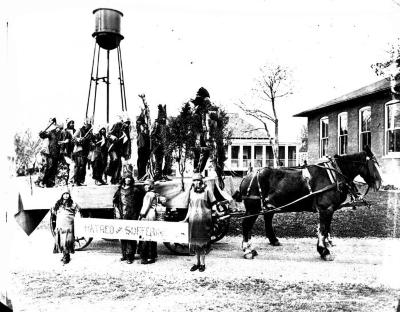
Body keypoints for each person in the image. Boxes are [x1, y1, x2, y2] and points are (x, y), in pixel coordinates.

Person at [183, 173, 217, 272]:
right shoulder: (191, 192)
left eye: (198, 180)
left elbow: (214, 203)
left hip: (204, 219)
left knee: (202, 242)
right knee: (194, 242)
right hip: (193, 219)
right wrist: (186, 218)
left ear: (201, 181)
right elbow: (190, 206)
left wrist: (215, 212)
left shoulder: (207, 190)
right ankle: (196, 263)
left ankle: (202, 264)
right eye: (194, 180)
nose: (196, 182)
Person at [113, 172, 145, 264]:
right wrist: (118, 212)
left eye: (129, 178)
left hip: (132, 216)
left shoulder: (135, 190)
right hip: (123, 216)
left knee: (131, 236)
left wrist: (137, 213)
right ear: (123, 179)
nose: (128, 180)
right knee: (123, 235)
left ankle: (130, 256)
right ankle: (124, 255)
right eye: (126, 178)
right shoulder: (120, 190)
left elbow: (142, 201)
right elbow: (115, 201)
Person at [51, 191, 80, 264]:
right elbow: (53, 212)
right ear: (62, 195)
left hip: (69, 224)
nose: (66, 196)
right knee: (61, 240)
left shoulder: (73, 204)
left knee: (68, 240)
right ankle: (65, 255)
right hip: (60, 224)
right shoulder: (58, 204)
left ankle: (66, 256)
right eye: (64, 194)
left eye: (67, 194)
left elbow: (78, 211)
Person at [191, 87, 212, 174]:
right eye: (206, 101)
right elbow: (195, 126)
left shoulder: (202, 111)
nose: (207, 103)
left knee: (205, 152)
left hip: (202, 136)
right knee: (201, 152)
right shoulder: (197, 112)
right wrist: (198, 137)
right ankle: (197, 171)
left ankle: (198, 171)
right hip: (198, 136)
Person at [139, 179, 159, 264]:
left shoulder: (148, 194)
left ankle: (145, 257)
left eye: (147, 185)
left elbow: (145, 207)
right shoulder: (154, 193)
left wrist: (141, 215)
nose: (145, 187)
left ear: (150, 186)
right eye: (144, 185)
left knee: (146, 236)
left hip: (148, 215)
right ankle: (152, 256)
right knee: (152, 235)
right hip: (153, 215)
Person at [38, 121, 64, 187]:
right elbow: (43, 136)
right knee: (49, 167)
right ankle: (43, 182)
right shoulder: (51, 132)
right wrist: (41, 133)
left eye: (60, 128)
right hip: (50, 153)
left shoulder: (62, 133)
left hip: (57, 153)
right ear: (56, 127)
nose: (59, 129)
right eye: (58, 128)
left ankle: (50, 183)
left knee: (54, 168)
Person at [107, 117, 131, 184]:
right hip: (113, 149)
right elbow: (109, 135)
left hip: (118, 149)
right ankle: (114, 178)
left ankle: (116, 178)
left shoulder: (125, 130)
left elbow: (127, 141)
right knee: (116, 162)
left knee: (118, 164)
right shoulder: (116, 126)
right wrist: (113, 137)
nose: (126, 125)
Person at [72, 118, 93, 186]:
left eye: (89, 124)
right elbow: (73, 138)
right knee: (79, 165)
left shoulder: (90, 132)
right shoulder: (80, 130)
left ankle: (81, 181)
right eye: (87, 124)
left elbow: (91, 140)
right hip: (79, 150)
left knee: (83, 166)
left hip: (86, 150)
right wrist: (78, 139)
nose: (88, 125)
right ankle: (76, 181)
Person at [136, 114, 151, 180]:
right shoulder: (140, 127)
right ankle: (141, 175)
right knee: (141, 162)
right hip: (142, 147)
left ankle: (142, 175)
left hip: (143, 147)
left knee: (142, 162)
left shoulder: (143, 127)